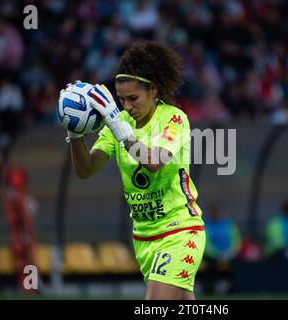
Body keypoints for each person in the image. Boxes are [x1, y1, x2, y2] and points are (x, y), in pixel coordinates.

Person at [61, 41, 205, 300]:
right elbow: (86, 169)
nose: (126, 106)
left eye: (133, 98)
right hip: (144, 237)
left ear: (154, 90)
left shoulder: (173, 119)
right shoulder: (121, 123)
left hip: (179, 230)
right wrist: (76, 133)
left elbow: (153, 162)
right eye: (121, 99)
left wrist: (117, 125)